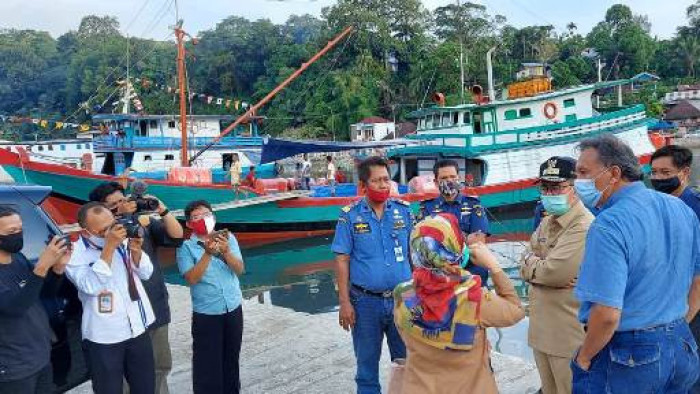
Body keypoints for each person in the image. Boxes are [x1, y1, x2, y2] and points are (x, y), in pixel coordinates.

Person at [571, 134, 700, 393]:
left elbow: (606, 314)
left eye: (584, 172)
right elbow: (697, 279)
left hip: (631, 355)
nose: (578, 182)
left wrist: (584, 357)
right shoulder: (680, 208)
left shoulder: (609, 224)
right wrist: (677, 323)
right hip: (681, 342)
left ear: (614, 173)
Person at [393, 214, 525, 393]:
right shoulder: (473, 296)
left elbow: (408, 333)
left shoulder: (404, 293)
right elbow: (516, 310)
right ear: (454, 248)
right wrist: (494, 266)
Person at [88, 181, 184, 394]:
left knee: (160, 366)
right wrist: (118, 219)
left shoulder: (144, 223)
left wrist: (162, 210)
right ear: (99, 210)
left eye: (124, 200)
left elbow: (177, 237)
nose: (123, 205)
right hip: (121, 320)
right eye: (114, 205)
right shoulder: (98, 237)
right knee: (125, 376)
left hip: (154, 306)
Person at [332, 156, 413, 394]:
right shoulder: (349, 216)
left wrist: (421, 297)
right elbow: (342, 260)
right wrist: (344, 302)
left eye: (386, 180)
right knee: (366, 368)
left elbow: (415, 256)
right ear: (363, 186)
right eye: (376, 181)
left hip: (404, 300)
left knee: (408, 363)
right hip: (365, 302)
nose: (383, 185)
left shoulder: (404, 212)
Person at [67, 202, 156, 394]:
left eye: (113, 224)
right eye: (103, 230)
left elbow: (147, 273)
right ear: (86, 231)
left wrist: (136, 251)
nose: (112, 231)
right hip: (104, 336)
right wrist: (108, 247)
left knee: (146, 387)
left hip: (137, 327)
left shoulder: (123, 239)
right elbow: (90, 286)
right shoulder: (75, 254)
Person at [520, 156, 592, 394]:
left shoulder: (582, 226)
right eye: (546, 187)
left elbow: (554, 273)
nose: (550, 193)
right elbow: (526, 260)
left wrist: (537, 268)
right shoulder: (547, 222)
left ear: (575, 187)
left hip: (568, 337)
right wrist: (537, 267)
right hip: (541, 332)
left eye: (557, 187)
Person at [0, 205, 72, 393]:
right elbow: (14, 308)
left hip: (39, 355)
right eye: (11, 231)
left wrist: (57, 269)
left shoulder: (18, 258)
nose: (18, 235)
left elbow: (42, 293)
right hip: (13, 366)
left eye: (20, 229)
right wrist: (42, 266)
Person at [176, 200, 245, 394]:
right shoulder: (185, 247)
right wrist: (207, 253)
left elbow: (239, 269)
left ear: (213, 217)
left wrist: (226, 252)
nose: (203, 220)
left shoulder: (228, 238)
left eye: (207, 214)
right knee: (207, 363)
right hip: (207, 313)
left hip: (232, 307)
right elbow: (191, 278)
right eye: (197, 217)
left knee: (231, 358)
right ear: (189, 223)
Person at [650, 144, 700, 393]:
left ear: (684, 173)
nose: (658, 178)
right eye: (654, 172)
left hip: (691, 307)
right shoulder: (656, 208)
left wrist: (687, 318)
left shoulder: (696, 208)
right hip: (664, 305)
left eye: (665, 172)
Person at [418, 159, 490, 286]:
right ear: (436, 182)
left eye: (452, 177)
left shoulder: (473, 204)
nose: (449, 181)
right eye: (444, 178)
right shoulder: (427, 208)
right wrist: (464, 237)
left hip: (472, 272)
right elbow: (425, 245)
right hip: (441, 276)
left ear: (459, 178)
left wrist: (443, 239)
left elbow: (478, 241)